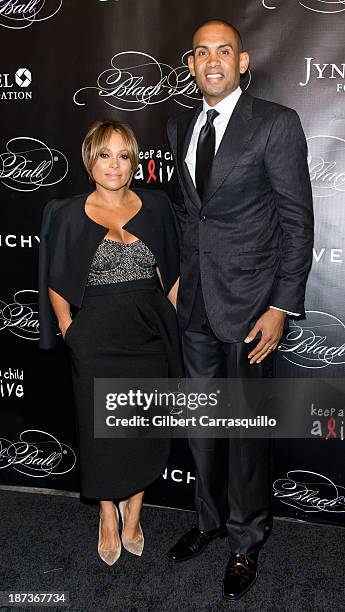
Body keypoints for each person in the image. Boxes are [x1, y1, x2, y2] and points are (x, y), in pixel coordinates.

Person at [166, 20, 314, 600]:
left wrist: (281, 305)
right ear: (190, 63)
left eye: (223, 50)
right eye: (201, 51)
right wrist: (178, 279)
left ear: (243, 61)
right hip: (196, 304)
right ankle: (207, 521)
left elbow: (297, 223)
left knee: (246, 430)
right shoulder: (180, 122)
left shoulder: (276, 124)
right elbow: (187, 213)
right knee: (202, 423)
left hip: (252, 305)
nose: (212, 60)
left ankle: (246, 539)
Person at [38, 120, 183, 565]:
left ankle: (134, 512)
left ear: (134, 162)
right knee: (101, 432)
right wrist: (70, 331)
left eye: (123, 155)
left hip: (149, 334)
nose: (114, 165)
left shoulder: (157, 206)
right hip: (96, 338)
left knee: (143, 424)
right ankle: (106, 514)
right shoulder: (65, 212)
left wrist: (171, 323)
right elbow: (56, 282)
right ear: (90, 161)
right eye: (105, 154)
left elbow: (173, 275)